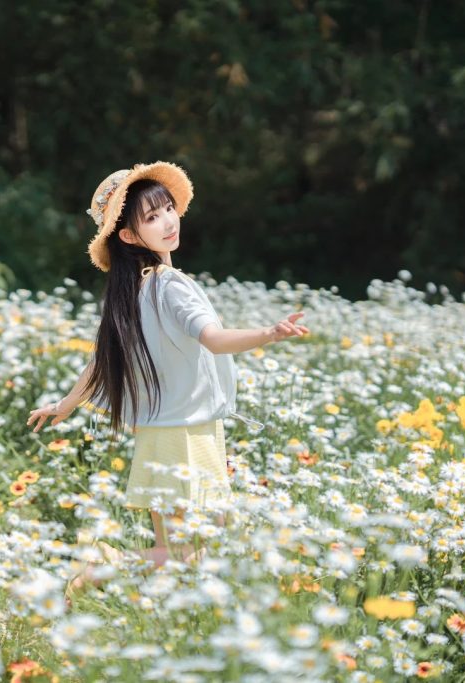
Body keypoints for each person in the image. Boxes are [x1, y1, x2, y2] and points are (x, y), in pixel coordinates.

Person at [26, 161, 310, 596]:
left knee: (194, 554)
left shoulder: (133, 291)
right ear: (128, 236)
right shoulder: (169, 285)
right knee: (188, 556)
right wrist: (270, 333)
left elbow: (100, 364)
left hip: (173, 435)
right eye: (151, 217)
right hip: (182, 437)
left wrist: (63, 406)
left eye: (167, 209)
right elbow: (213, 340)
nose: (168, 222)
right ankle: (95, 571)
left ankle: (147, 607)